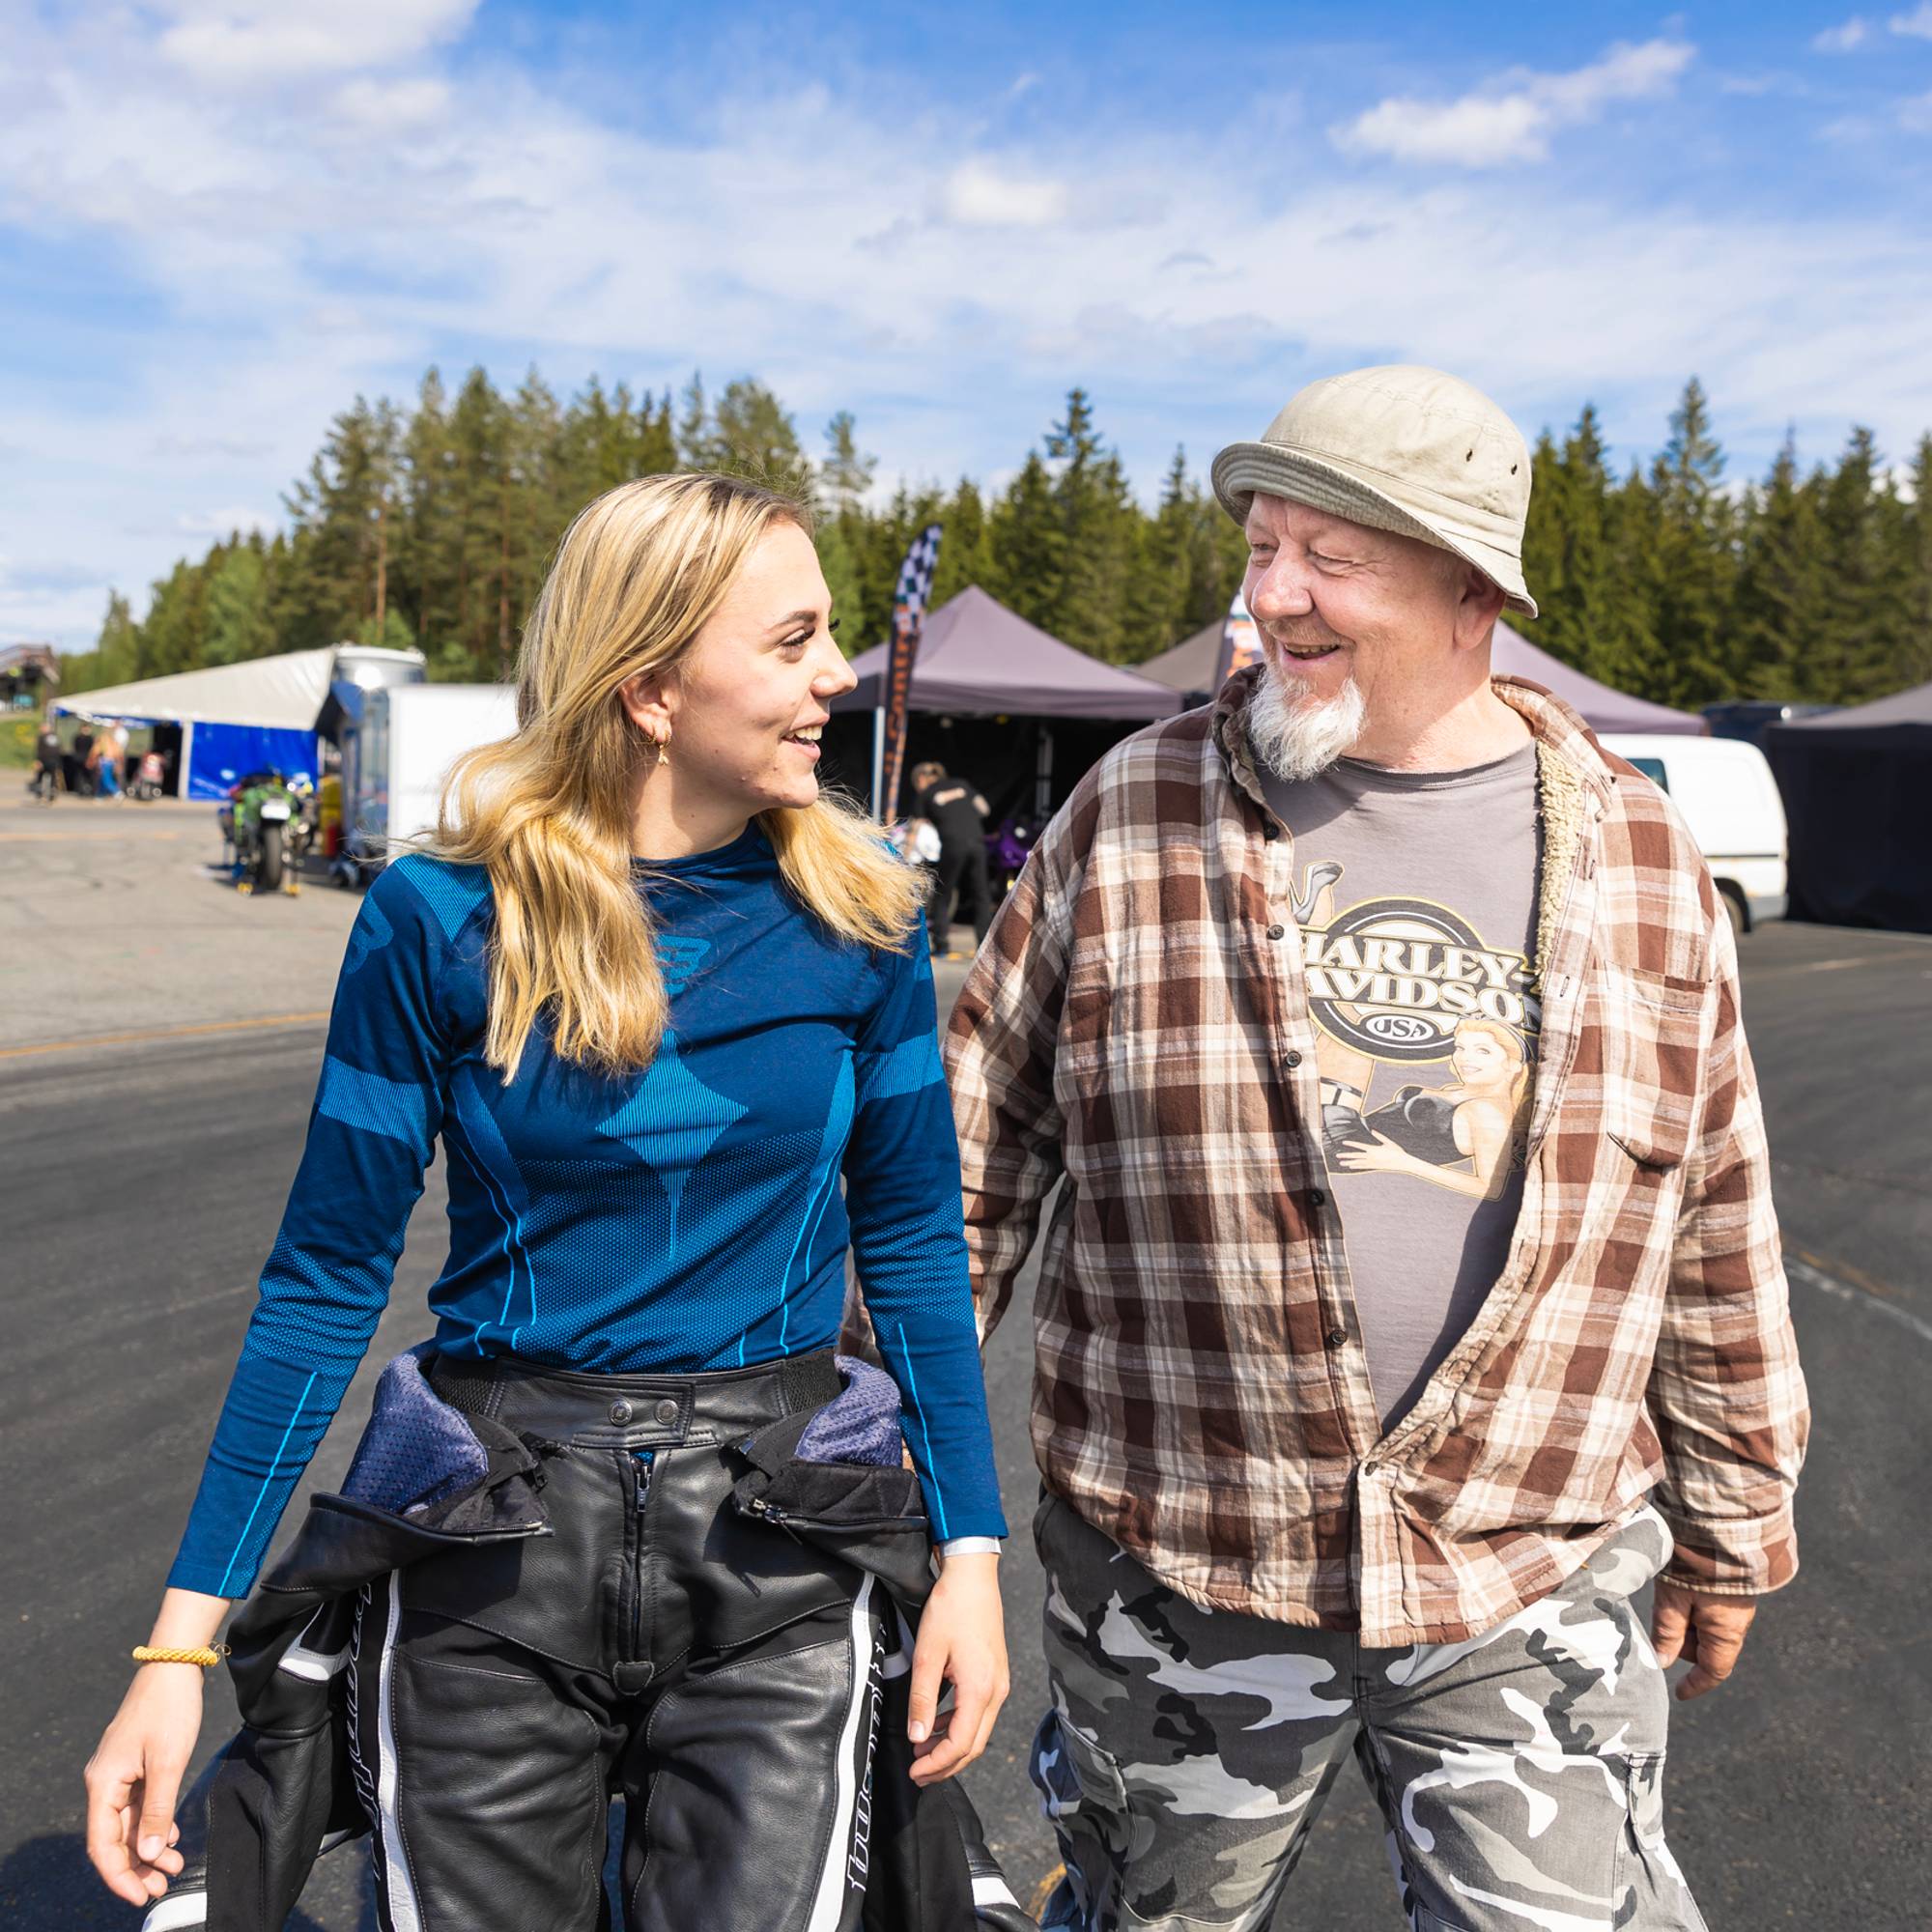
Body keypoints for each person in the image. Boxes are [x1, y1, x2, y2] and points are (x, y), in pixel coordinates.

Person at [946, 365, 1808, 1932]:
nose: (1272, 596)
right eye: (1262, 549)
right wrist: (863, 1462)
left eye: (1330, 558)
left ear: (1473, 585)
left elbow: (1713, 1217)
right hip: (1184, 1561)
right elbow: (967, 1161)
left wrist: (1735, 1523)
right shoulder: (1130, 815)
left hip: (1527, 1565)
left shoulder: (1637, 854)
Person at [84, 473, 1010, 1929]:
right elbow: (325, 1280)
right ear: (649, 685)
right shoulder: (437, 918)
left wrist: (968, 1556)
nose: (841, 674)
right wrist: (177, 1652)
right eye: (794, 640)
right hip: (489, 1557)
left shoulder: (865, 920)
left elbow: (908, 1246)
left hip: (780, 1549)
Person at [911, 759, 993, 956]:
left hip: (952, 844)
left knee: (943, 893)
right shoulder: (962, 785)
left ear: (922, 779)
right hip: (976, 841)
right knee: (981, 894)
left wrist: (905, 857)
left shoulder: (926, 794)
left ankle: (941, 945)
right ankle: (984, 945)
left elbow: (916, 826)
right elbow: (984, 809)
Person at [32, 719, 62, 801]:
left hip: (47, 760)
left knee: (46, 778)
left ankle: (48, 794)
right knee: (44, 777)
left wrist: (38, 760)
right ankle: (42, 794)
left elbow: (39, 750)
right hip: (50, 760)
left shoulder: (42, 737)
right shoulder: (55, 737)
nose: (42, 729)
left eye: (43, 728)